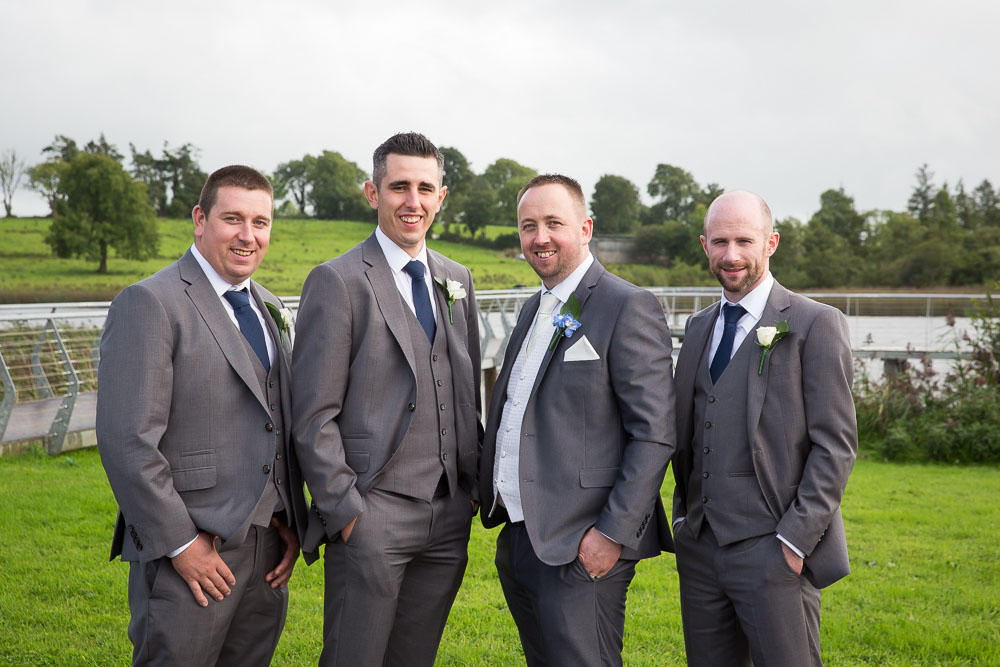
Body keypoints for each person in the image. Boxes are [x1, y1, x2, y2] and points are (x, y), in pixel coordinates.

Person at [97, 165, 307, 666]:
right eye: (233, 218)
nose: (248, 235)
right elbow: (128, 441)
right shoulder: (150, 302)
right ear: (199, 218)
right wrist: (181, 544)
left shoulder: (269, 305)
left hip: (265, 551)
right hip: (191, 551)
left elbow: (275, 418)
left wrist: (289, 518)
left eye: (261, 222)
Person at [291, 132, 482, 667]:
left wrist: (468, 487)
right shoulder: (337, 281)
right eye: (399, 186)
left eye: (425, 188)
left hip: (447, 517)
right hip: (371, 513)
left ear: (442, 196)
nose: (412, 201)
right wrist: (347, 511)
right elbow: (313, 415)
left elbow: (464, 391)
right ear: (373, 193)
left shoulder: (456, 278)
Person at [478, 174, 676, 667]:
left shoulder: (627, 305)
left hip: (582, 544)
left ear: (585, 228)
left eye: (553, 223)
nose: (539, 237)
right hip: (522, 538)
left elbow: (654, 433)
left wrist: (610, 536)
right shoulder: (531, 308)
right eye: (528, 226)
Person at [671, 190, 858, 666]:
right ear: (704, 245)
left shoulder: (815, 324)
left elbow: (835, 447)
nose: (731, 255)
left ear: (770, 242)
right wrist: (682, 521)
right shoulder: (697, 328)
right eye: (719, 242)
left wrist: (794, 541)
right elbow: (687, 432)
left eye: (743, 240)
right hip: (701, 548)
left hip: (775, 549)